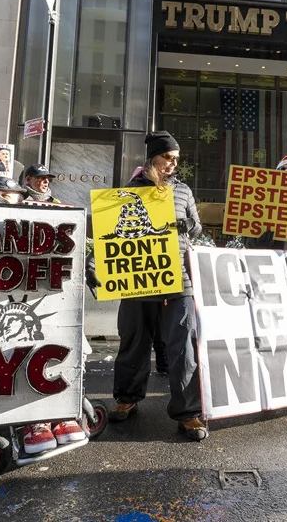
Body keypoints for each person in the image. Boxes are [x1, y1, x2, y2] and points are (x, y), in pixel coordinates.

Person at [0, 176, 89, 452]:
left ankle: (59, 411)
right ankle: (32, 420)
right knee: (14, 354)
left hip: (40, 302)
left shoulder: (41, 224)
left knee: (58, 349)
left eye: (5, 196)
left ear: (21, 199)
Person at [109, 130, 208, 441]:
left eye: (176, 159)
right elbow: (115, 229)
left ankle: (188, 413)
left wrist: (185, 225)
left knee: (183, 347)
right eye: (168, 157)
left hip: (179, 278)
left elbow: (197, 228)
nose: (172, 164)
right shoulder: (129, 190)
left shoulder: (184, 191)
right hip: (139, 278)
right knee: (134, 341)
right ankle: (127, 399)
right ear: (153, 157)